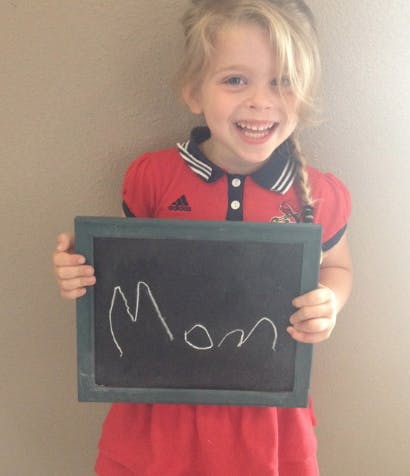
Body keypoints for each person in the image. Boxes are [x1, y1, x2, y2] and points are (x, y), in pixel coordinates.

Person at [53, 0, 352, 474]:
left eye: (283, 81)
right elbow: (128, 279)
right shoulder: (153, 179)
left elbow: (336, 265)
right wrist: (83, 269)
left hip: (267, 414)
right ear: (193, 91)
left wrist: (329, 302)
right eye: (235, 80)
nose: (260, 100)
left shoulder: (318, 195)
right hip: (160, 407)